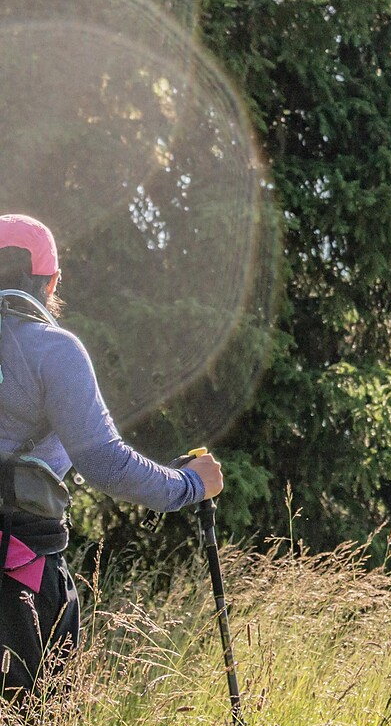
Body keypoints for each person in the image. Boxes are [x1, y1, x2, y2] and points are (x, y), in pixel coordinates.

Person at [0, 214, 224, 695]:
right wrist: (189, 484)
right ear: (52, 280)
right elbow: (105, 461)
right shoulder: (54, 350)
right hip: (23, 572)